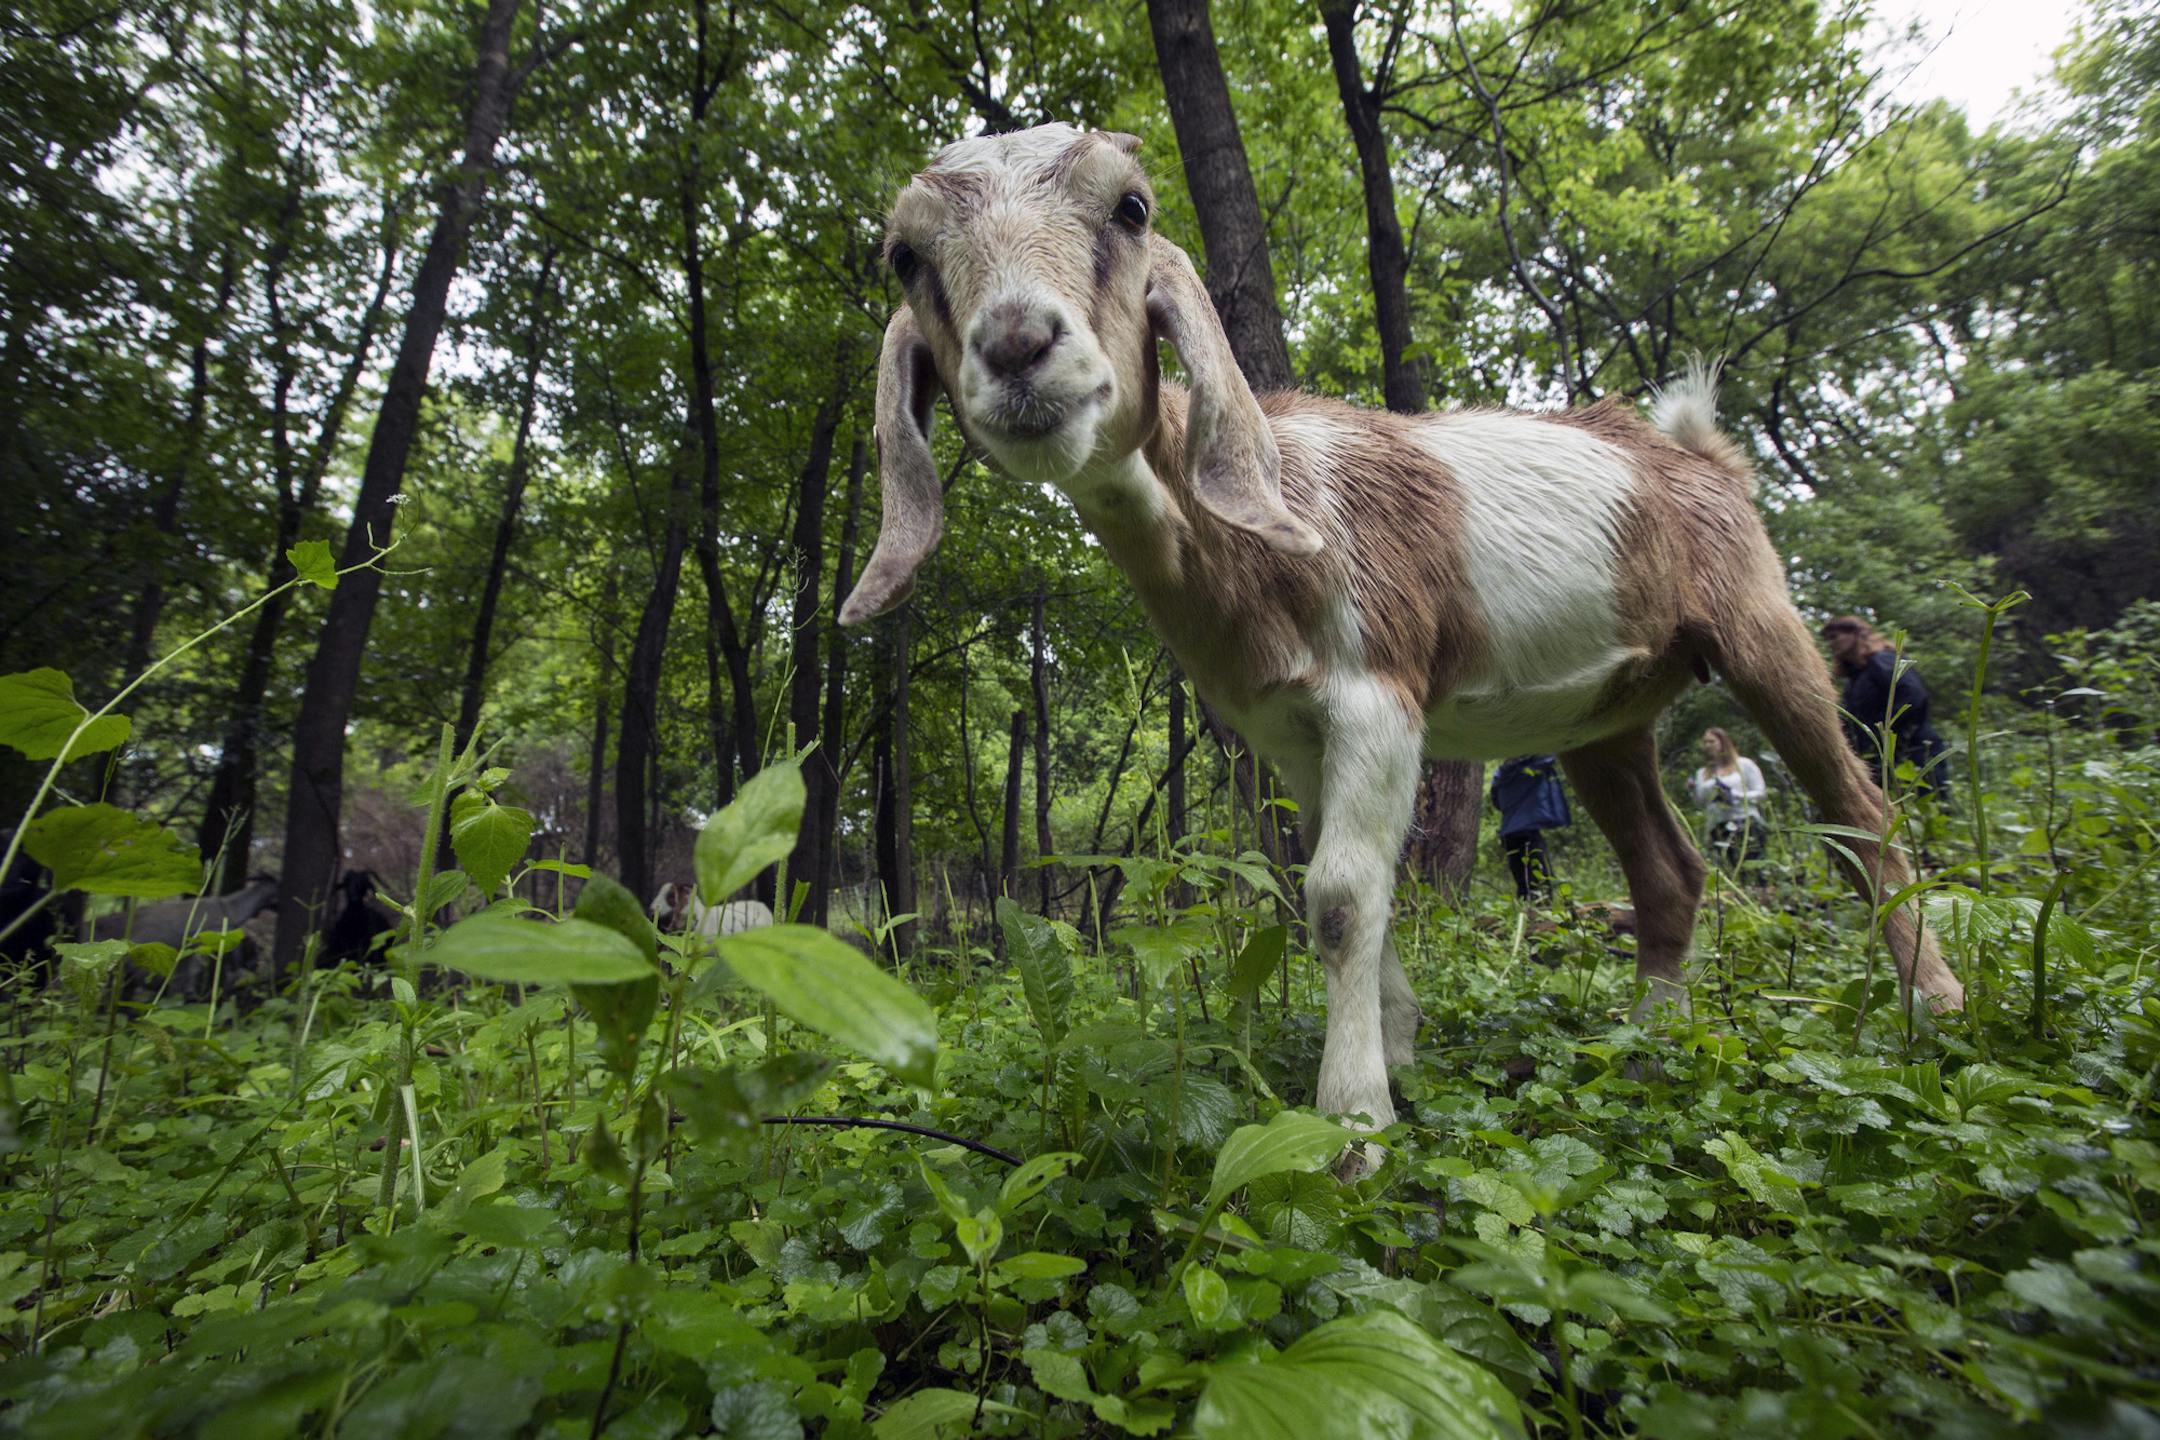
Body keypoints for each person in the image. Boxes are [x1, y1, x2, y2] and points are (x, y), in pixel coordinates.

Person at [1821, 615, 1948, 789]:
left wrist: (1888, 731)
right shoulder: (1855, 676)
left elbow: (1913, 695)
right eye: (1828, 639)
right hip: (1881, 755)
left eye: (1835, 637)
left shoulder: (1882, 661)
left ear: (1856, 634)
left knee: (1931, 804)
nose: (1831, 643)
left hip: (1914, 748)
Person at [1489, 755, 1570, 902]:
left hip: (1508, 832)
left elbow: (1496, 802)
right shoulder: (1534, 766)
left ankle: (1527, 912)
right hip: (1528, 831)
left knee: (1522, 880)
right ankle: (1543, 912)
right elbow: (1551, 756)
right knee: (1540, 876)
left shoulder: (1500, 774)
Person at [1690, 727, 1769, 869]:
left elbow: (1761, 793)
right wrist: (1692, 791)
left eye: (1711, 742)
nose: (1707, 746)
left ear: (1723, 742)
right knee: (1730, 867)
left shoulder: (1744, 765)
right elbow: (1701, 803)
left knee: (1753, 866)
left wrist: (1735, 796)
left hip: (1746, 822)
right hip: (1718, 827)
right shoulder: (1702, 773)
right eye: (1705, 742)